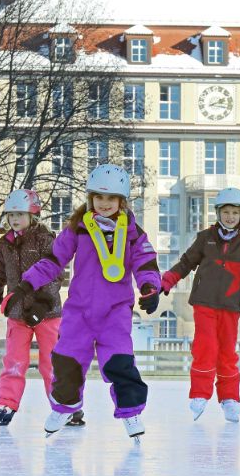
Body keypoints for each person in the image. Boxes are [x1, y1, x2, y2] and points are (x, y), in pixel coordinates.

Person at [17, 165, 160, 439]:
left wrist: (150, 287)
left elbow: (145, 261)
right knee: (67, 361)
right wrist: (28, 283)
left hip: (115, 311)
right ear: (90, 198)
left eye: (111, 199)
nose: (104, 204)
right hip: (79, 311)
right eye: (99, 197)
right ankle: (64, 407)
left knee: (120, 362)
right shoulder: (77, 229)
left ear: (122, 201)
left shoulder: (132, 231)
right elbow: (53, 260)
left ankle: (131, 413)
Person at [161, 187, 240, 422]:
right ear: (218, 213)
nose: (230, 217)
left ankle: (229, 398)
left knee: (226, 352)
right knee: (206, 347)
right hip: (204, 302)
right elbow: (186, 262)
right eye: (226, 211)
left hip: (230, 305)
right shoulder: (206, 238)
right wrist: (168, 279)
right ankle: (200, 394)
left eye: (235, 212)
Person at [0, 189, 74, 427]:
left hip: (47, 314)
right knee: (13, 361)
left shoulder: (45, 238)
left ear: (33, 214)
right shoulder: (4, 244)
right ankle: (6, 403)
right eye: (11, 215)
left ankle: (63, 405)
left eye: (20, 214)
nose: (14, 219)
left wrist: (43, 303)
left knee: (51, 362)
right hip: (17, 313)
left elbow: (56, 272)